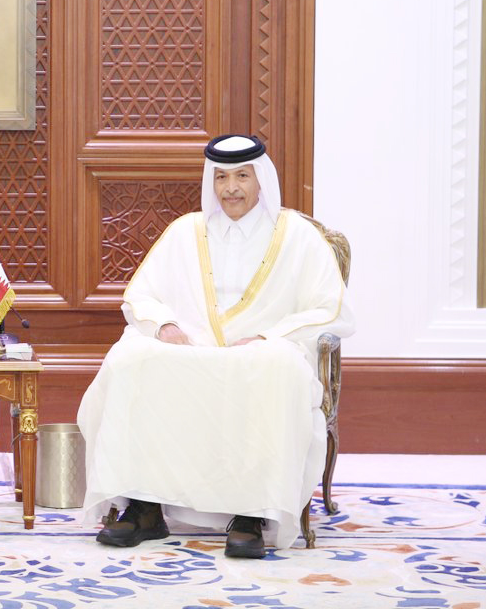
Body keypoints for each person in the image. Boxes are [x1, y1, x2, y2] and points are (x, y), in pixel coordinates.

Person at [77, 134, 353, 558]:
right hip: (193, 349)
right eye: (221, 177)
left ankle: (250, 513)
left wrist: (268, 337)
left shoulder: (297, 236)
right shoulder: (186, 231)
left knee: (277, 366)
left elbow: (329, 308)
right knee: (132, 357)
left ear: (261, 180)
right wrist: (165, 324)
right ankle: (145, 507)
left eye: (242, 176)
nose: (231, 188)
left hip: (262, 350)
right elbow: (141, 295)